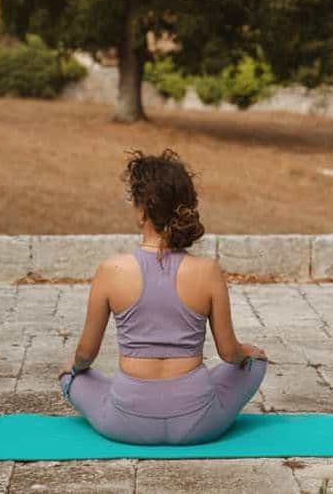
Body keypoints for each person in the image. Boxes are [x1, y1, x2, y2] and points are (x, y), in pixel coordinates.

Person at [58, 149, 268, 445]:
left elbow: (85, 355)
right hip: (198, 423)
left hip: (126, 422)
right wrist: (249, 351)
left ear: (142, 210)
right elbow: (229, 353)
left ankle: (86, 387)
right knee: (255, 364)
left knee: (72, 378)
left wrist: (72, 368)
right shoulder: (208, 271)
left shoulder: (111, 270)